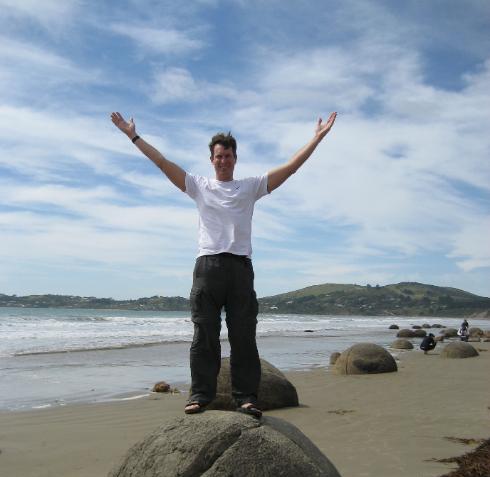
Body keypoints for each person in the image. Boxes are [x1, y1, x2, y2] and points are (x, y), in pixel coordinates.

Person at [111, 110, 337, 416]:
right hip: (208, 268)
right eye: (218, 156)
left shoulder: (251, 186)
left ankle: (246, 397)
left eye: (228, 155)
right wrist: (132, 135)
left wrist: (317, 137)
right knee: (204, 335)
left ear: (235, 158)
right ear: (211, 159)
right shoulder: (199, 185)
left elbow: (291, 167)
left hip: (240, 269)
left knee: (243, 336)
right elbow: (162, 163)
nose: (223, 160)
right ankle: (200, 395)